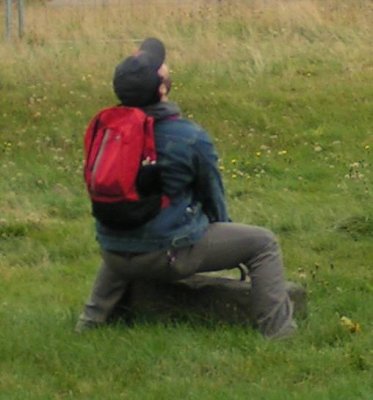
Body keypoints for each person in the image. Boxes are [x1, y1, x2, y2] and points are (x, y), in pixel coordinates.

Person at [75, 37, 298, 339]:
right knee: (263, 244)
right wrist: (223, 234)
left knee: (130, 231)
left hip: (113, 253)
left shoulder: (105, 129)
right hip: (169, 256)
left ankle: (89, 324)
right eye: (161, 66)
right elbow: (213, 196)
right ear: (162, 87)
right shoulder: (188, 136)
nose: (165, 65)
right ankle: (281, 335)